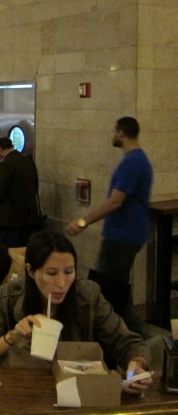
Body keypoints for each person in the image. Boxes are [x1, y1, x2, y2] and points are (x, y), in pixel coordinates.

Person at [0, 231, 153, 397]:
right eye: (52, 273)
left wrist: (136, 366)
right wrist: (12, 336)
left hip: (79, 395)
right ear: (30, 270)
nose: (62, 283)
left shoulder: (87, 295)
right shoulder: (7, 297)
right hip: (21, 396)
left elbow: (129, 343)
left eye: (69, 272)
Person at [65, 116, 153, 319]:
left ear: (121, 132)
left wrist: (82, 222)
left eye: (113, 131)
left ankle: (107, 331)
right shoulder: (140, 160)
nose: (111, 135)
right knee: (117, 284)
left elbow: (115, 201)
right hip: (130, 233)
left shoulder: (131, 163)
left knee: (105, 288)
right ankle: (122, 327)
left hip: (122, 234)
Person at [0, 136, 41, 248]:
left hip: (9, 220)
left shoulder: (5, 164)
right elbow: (35, 185)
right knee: (21, 251)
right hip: (28, 217)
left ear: (0, 149)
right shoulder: (28, 160)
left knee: (6, 251)